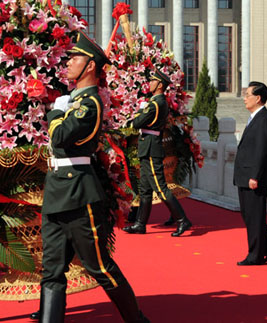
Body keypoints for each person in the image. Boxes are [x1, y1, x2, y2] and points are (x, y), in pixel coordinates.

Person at [39, 31, 148, 322]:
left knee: (98, 265)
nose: (69, 61)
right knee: (51, 270)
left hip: (79, 193)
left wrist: (54, 113)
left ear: (89, 66)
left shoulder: (90, 104)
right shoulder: (74, 101)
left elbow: (60, 137)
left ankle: (135, 319)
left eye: (75, 57)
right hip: (56, 190)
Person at [123, 67, 192, 237]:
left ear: (160, 84)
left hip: (152, 147)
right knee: (145, 189)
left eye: (153, 80)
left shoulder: (156, 103)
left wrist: (139, 112)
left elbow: (138, 122)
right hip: (148, 146)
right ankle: (140, 224)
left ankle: (182, 220)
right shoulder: (155, 102)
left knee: (160, 188)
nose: (150, 83)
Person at [233, 81, 267, 265]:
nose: (245, 99)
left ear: (258, 98)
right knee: (249, 216)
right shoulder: (255, 117)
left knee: (254, 217)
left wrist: (254, 175)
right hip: (245, 175)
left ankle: (255, 255)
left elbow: (262, 150)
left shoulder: (263, 118)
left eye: (248, 95)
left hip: (253, 177)